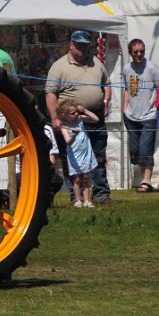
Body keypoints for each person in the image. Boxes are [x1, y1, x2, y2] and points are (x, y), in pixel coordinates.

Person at [45, 30, 112, 203]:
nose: (82, 49)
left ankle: (101, 194)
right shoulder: (59, 66)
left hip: (94, 116)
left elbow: (108, 83)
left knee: (97, 156)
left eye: (85, 45)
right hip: (69, 119)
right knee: (72, 159)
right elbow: (50, 93)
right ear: (71, 45)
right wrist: (55, 118)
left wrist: (105, 101)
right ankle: (76, 197)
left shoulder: (96, 62)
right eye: (79, 45)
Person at [121, 38, 159, 192]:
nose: (139, 54)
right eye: (136, 52)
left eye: (142, 51)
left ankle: (146, 182)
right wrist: (124, 109)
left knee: (145, 149)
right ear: (130, 53)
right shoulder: (126, 69)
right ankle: (143, 180)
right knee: (135, 150)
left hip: (148, 115)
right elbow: (126, 89)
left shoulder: (152, 68)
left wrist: (157, 106)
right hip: (130, 116)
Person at [57, 99, 98, 208]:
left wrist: (85, 110)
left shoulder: (80, 120)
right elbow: (68, 142)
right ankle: (77, 200)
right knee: (77, 178)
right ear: (64, 115)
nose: (76, 114)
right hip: (75, 155)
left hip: (86, 153)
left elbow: (96, 119)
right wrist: (74, 135)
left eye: (76, 112)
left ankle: (87, 200)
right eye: (72, 113)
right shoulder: (64, 127)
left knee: (85, 177)